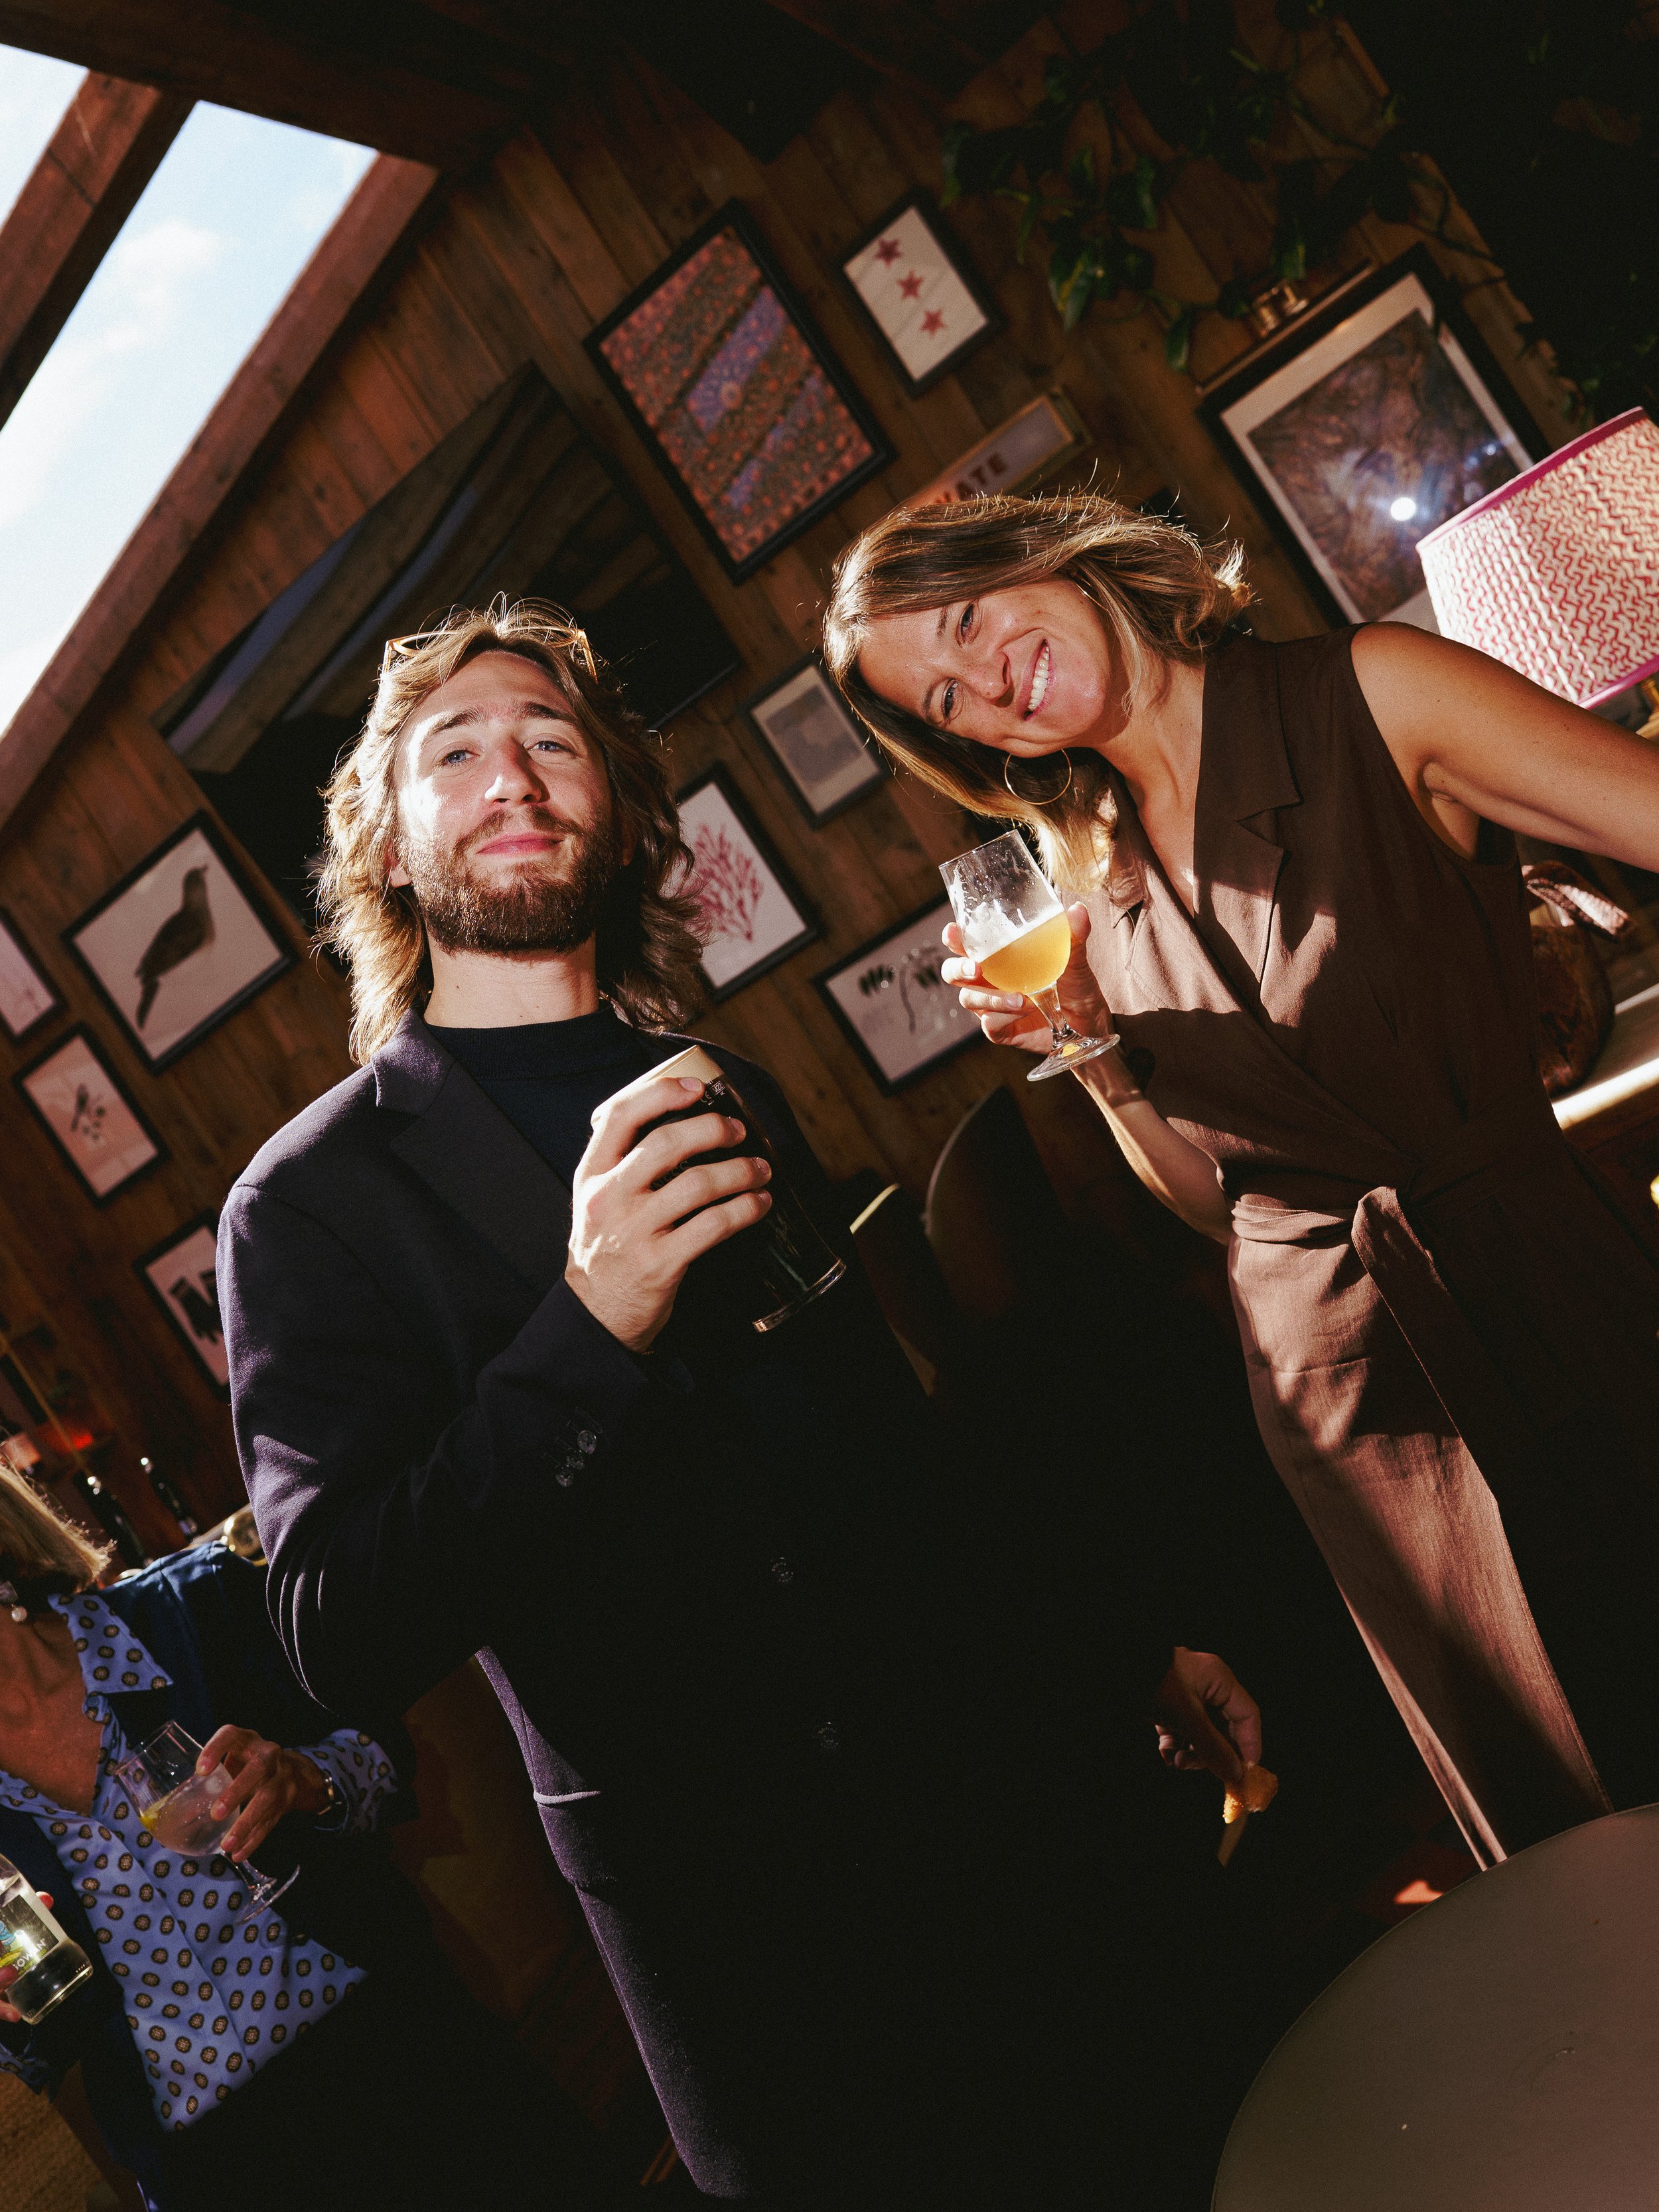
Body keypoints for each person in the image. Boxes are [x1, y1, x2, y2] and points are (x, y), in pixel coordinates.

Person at [217, 598, 1263, 2208]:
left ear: (626, 822)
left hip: (1007, 1806)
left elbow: (890, 1449)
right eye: (459, 752)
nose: (515, 774)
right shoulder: (309, 1208)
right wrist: (592, 1317)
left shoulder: (719, 1081)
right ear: (392, 849)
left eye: (555, 743)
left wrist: (1121, 1638)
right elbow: (335, 1632)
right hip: (763, 1937)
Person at [823, 488, 1659, 1870]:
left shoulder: (1372, 695)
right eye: (944, 699)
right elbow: (1223, 1201)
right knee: (1574, 1849)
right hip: (1350, 1418)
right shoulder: (1083, 879)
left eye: (967, 621)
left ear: (1041, 552)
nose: (983, 685)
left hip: (1554, 1300)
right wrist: (1088, 1051)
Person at [0, 1468, 618, 2212]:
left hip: (395, 2051)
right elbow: (38, 2049)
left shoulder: (191, 1609)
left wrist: (305, 1778)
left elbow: (386, 1759)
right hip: (215, 2169)